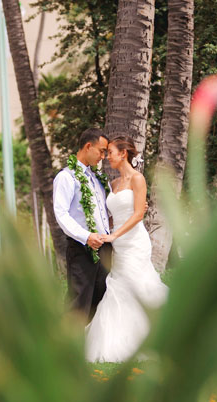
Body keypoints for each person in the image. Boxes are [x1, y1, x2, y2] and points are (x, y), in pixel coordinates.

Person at [85, 136, 168, 363]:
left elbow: (138, 214)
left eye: (111, 152)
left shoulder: (138, 179)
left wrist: (115, 235)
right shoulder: (113, 184)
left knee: (137, 285)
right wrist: (108, 233)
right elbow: (112, 215)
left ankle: (152, 339)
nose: (107, 157)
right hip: (119, 245)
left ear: (123, 154)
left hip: (134, 243)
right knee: (119, 287)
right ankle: (118, 340)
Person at [53, 128, 112, 322]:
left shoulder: (98, 178)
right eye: (101, 151)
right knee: (78, 303)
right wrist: (86, 237)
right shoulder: (66, 177)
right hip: (82, 248)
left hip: (105, 248)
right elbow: (61, 213)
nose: (103, 156)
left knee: (100, 302)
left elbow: (106, 212)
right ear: (88, 146)